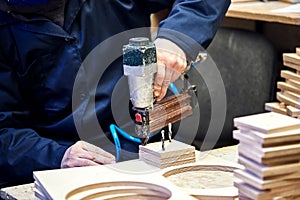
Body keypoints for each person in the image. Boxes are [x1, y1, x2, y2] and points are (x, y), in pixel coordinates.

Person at [0, 0, 231, 187]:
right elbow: (4, 133)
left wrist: (177, 39)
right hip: (60, 169)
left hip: (144, 150)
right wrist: (56, 157)